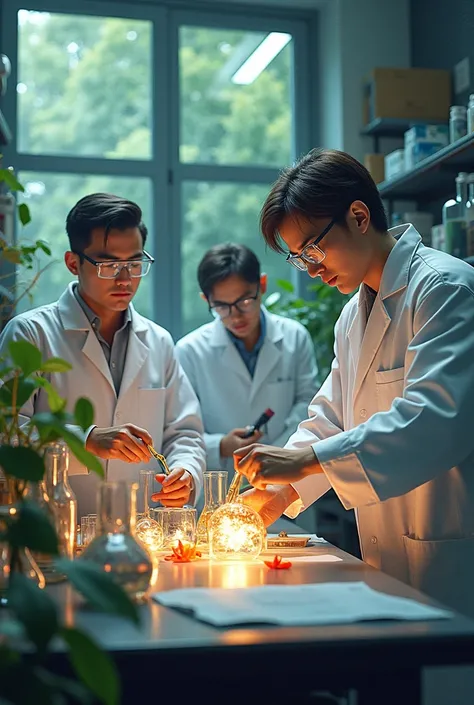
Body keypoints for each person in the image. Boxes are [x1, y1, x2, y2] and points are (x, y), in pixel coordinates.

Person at [235, 148, 474, 624]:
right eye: (301, 259)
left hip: (452, 553)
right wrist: (280, 493)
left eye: (313, 249)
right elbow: (330, 419)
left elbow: (434, 421)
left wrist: (303, 460)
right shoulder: (353, 314)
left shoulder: (447, 289)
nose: (313, 268)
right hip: (388, 557)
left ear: (359, 216)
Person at [0, 193, 205, 517]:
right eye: (109, 265)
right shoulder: (30, 334)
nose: (125, 279)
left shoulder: (159, 341)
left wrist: (186, 474)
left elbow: (184, 432)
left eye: (135, 264)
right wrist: (86, 442)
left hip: (140, 533)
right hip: (54, 535)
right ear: (73, 263)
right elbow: (8, 434)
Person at [175, 243, 318, 494]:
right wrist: (220, 445)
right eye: (222, 306)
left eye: (244, 301)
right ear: (206, 300)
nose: (236, 316)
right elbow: (182, 428)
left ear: (261, 286)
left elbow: (308, 405)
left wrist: (279, 454)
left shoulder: (294, 337)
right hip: (218, 485)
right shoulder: (189, 350)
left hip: (286, 481)